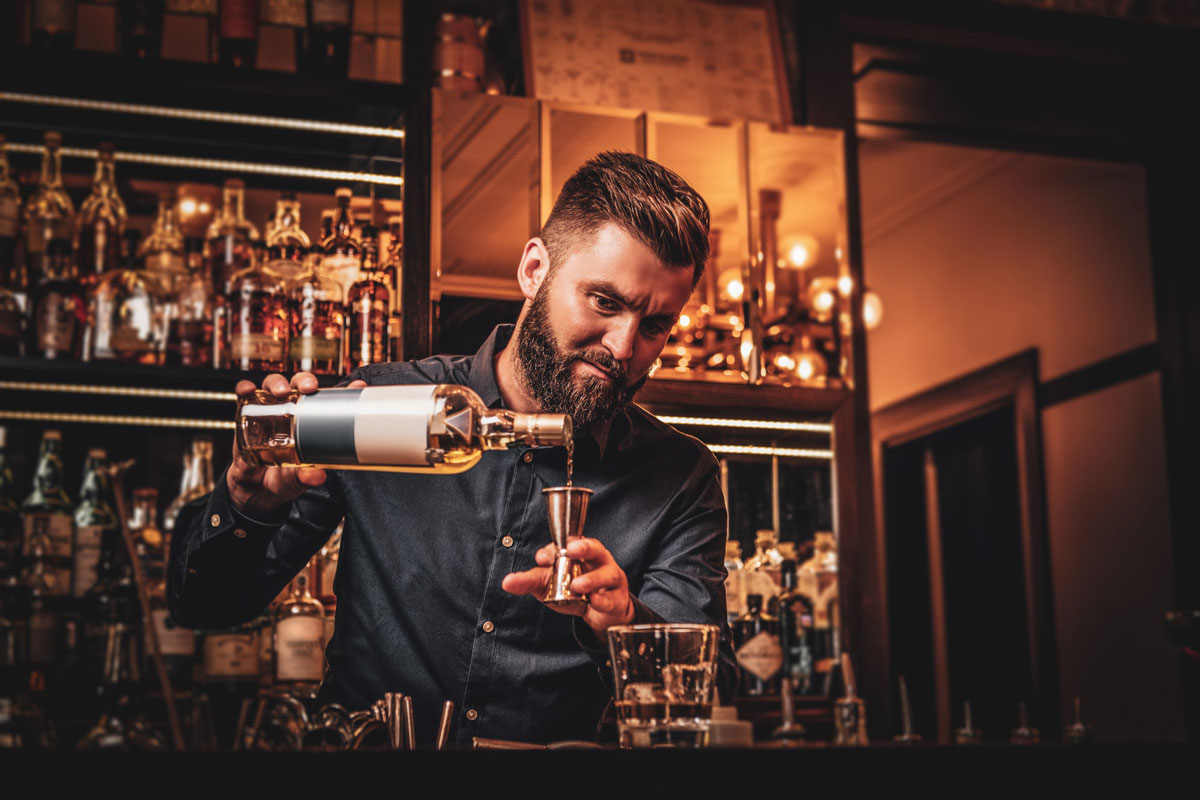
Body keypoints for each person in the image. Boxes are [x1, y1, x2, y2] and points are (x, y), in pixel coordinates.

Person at [169, 151, 737, 746]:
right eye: (604, 302)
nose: (623, 347)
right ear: (534, 269)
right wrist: (246, 505)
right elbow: (206, 609)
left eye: (654, 326)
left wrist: (624, 625)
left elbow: (711, 697)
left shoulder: (679, 475)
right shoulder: (381, 408)